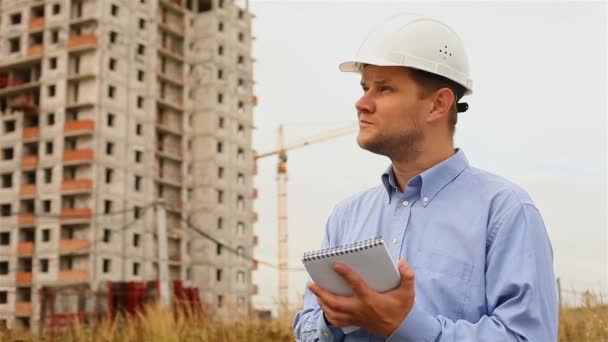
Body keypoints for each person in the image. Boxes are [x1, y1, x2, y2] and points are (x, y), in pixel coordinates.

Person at [293, 14, 557, 341]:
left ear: (438, 104)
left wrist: (407, 325)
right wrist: (333, 320)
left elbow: (527, 336)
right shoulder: (346, 217)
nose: (361, 103)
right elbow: (306, 330)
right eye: (364, 88)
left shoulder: (505, 212)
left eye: (384, 88)